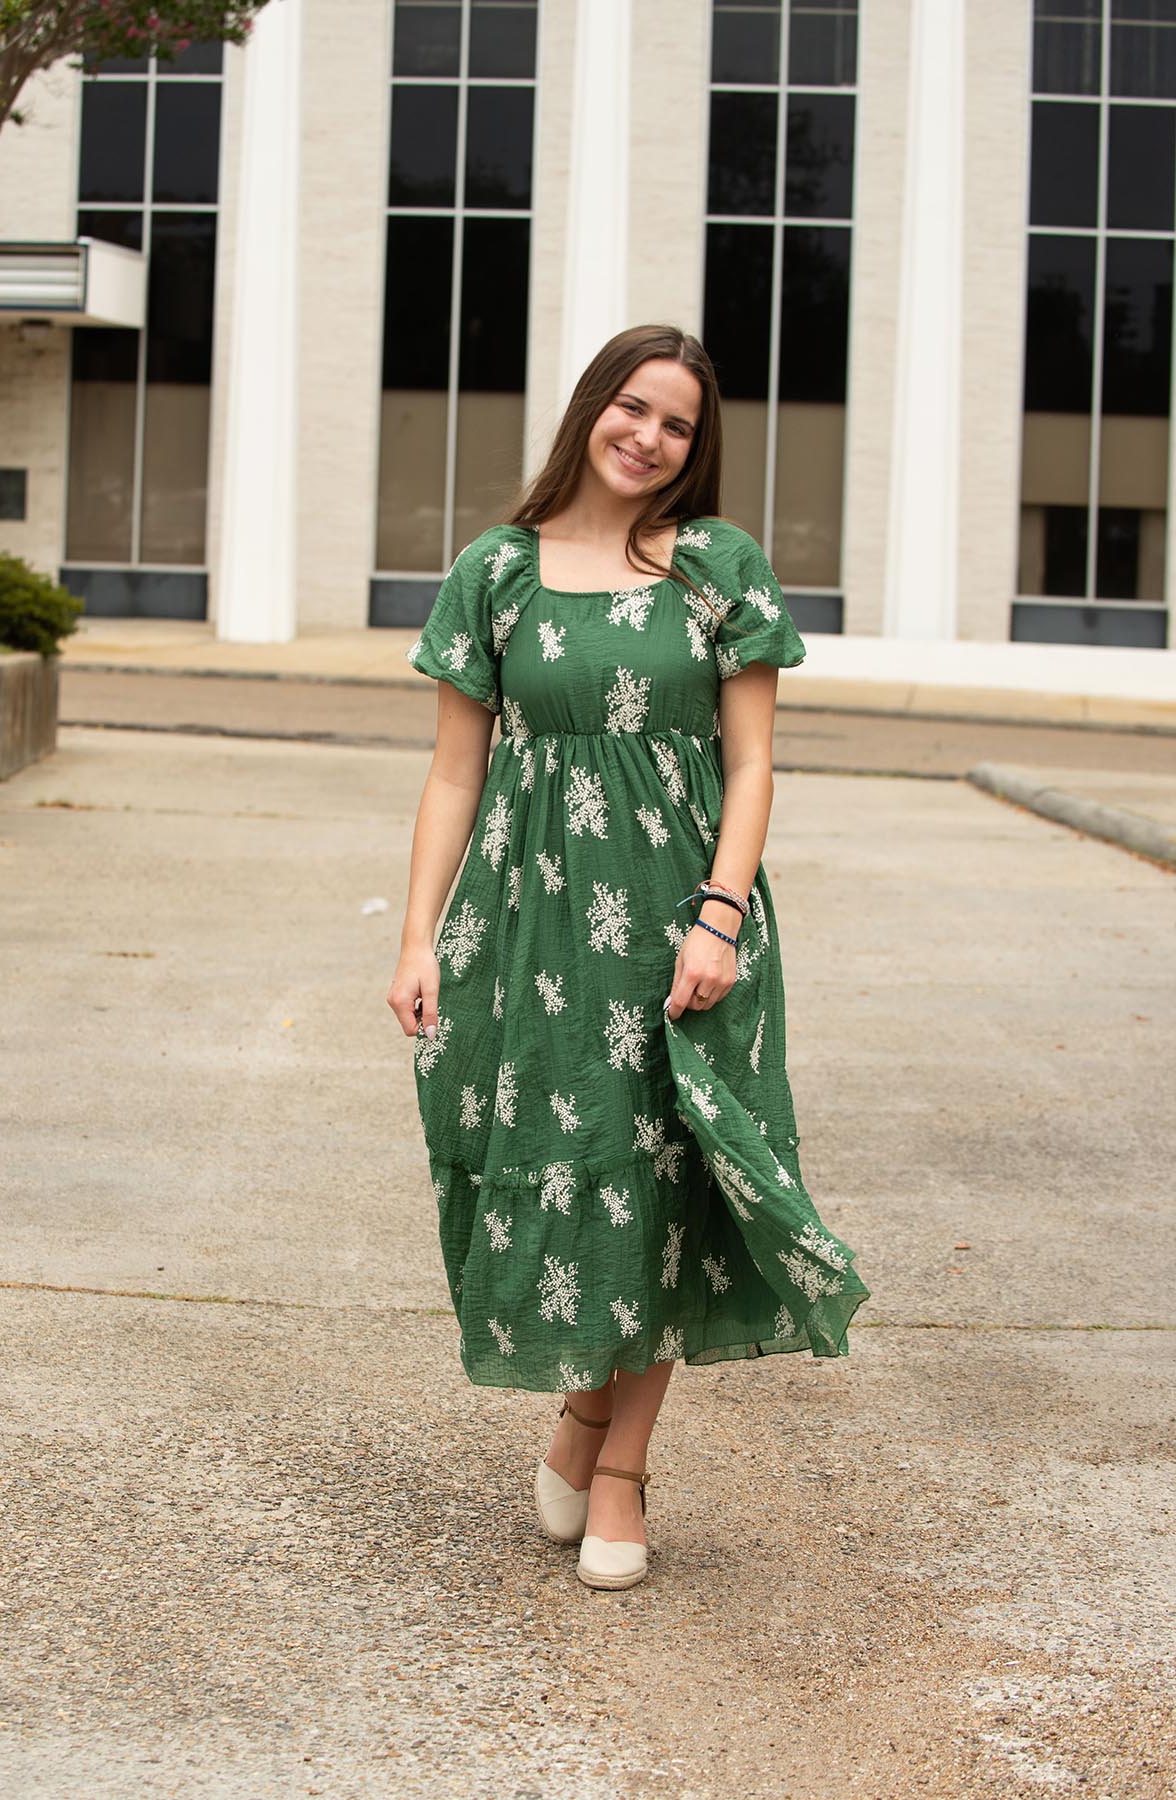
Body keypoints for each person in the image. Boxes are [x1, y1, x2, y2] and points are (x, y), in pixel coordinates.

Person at [387, 324, 869, 1592]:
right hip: (529, 925)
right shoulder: (495, 574)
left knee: (664, 1178)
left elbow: (755, 761)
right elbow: (454, 770)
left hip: (678, 922)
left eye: (678, 425)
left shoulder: (718, 568)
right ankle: (581, 1411)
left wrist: (718, 915)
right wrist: (418, 936)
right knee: (566, 1164)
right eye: (633, 408)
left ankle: (620, 1467)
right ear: (592, 407)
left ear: (695, 449)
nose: (648, 438)